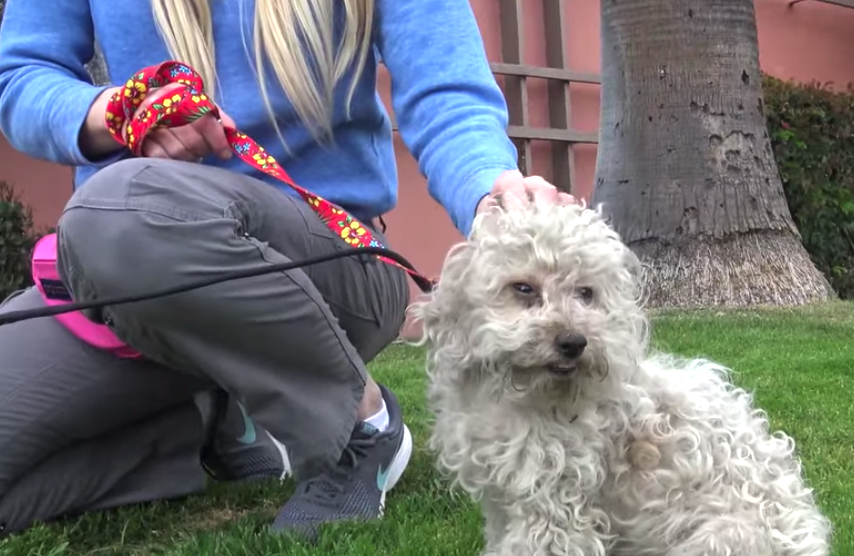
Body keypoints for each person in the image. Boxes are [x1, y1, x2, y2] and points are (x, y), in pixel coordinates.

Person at [0, 0, 574, 538]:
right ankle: (200, 420)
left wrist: (488, 193)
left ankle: (360, 427)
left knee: (117, 209)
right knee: (121, 216)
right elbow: (20, 76)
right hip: (131, 275)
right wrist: (115, 112)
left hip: (327, 264)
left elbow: (445, 93)